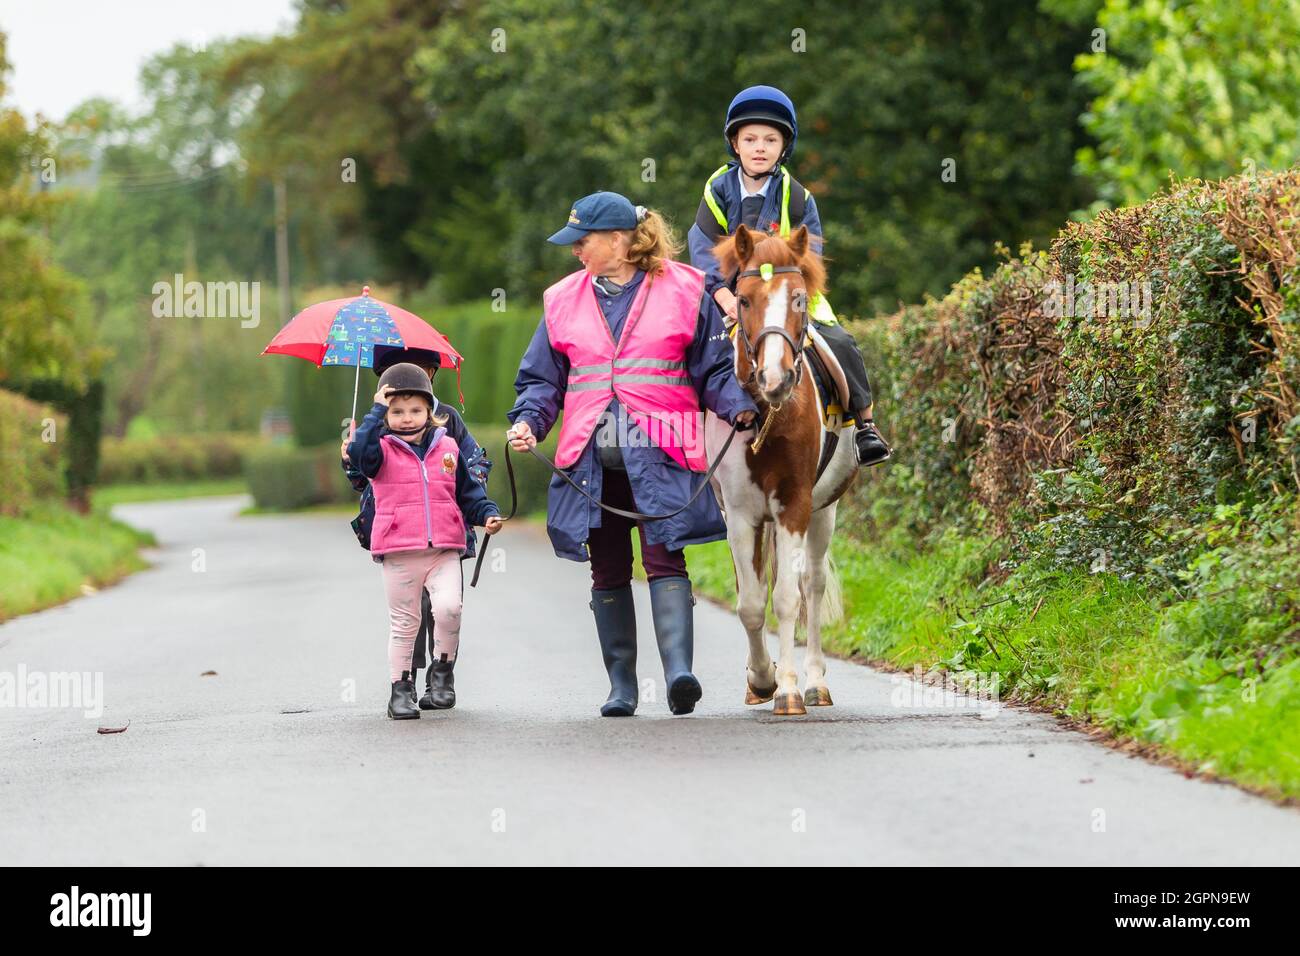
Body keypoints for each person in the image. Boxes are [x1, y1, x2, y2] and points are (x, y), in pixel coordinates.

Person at [506, 191, 758, 717]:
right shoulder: (560, 299)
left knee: (665, 553)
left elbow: (711, 368)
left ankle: (679, 674)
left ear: (618, 241)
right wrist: (528, 423)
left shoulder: (687, 288)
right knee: (608, 566)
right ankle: (621, 687)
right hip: (591, 456)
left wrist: (737, 406)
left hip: (662, 447)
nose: (575, 250)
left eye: (584, 240)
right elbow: (541, 380)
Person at [686, 84, 890, 466]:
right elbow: (702, 248)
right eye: (750, 139)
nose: (759, 147)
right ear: (735, 144)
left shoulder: (799, 198)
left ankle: (864, 426)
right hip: (731, 295)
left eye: (770, 139)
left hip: (787, 291)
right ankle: (684, 439)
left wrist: (790, 287)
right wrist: (723, 296)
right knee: (688, 347)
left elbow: (811, 253)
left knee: (839, 341)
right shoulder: (717, 190)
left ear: (784, 147)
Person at [346, 362, 503, 719]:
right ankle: (400, 690)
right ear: (386, 413)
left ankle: (442, 671)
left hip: (443, 549)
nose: (406, 418)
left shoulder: (447, 447)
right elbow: (358, 459)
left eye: (415, 410)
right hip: (399, 553)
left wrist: (487, 513)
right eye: (397, 411)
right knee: (405, 623)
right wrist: (374, 412)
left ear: (430, 411)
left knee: (449, 608)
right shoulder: (380, 450)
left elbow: (468, 493)